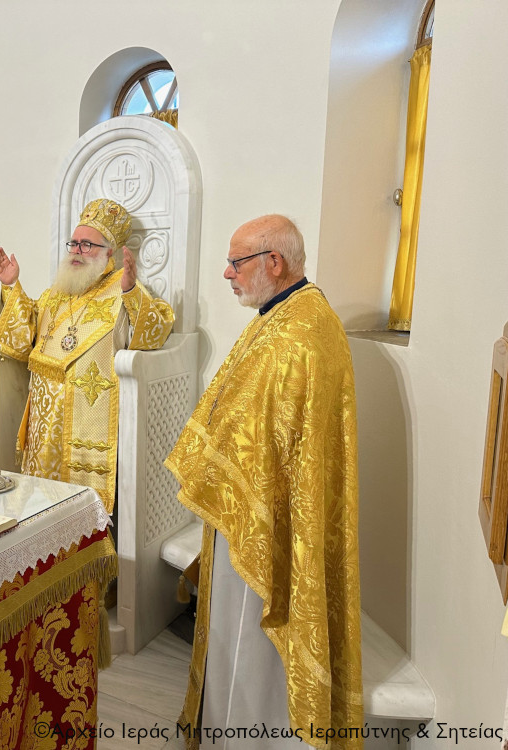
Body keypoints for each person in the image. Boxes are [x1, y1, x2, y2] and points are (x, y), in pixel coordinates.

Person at [164, 215, 361, 748]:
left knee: (252, 644)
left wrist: (211, 463)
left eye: (237, 261)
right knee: (235, 640)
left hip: (264, 519)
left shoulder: (299, 332)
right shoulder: (283, 315)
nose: (228, 273)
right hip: (250, 507)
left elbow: (258, 432)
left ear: (274, 263)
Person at [0, 198, 173, 513]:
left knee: (76, 514)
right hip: (43, 421)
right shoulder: (60, 289)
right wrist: (12, 287)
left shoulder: (122, 288)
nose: (76, 251)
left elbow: (154, 333)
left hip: (87, 417)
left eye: (86, 245)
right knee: (37, 505)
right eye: (73, 243)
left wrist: (131, 293)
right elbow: (25, 336)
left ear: (109, 252)